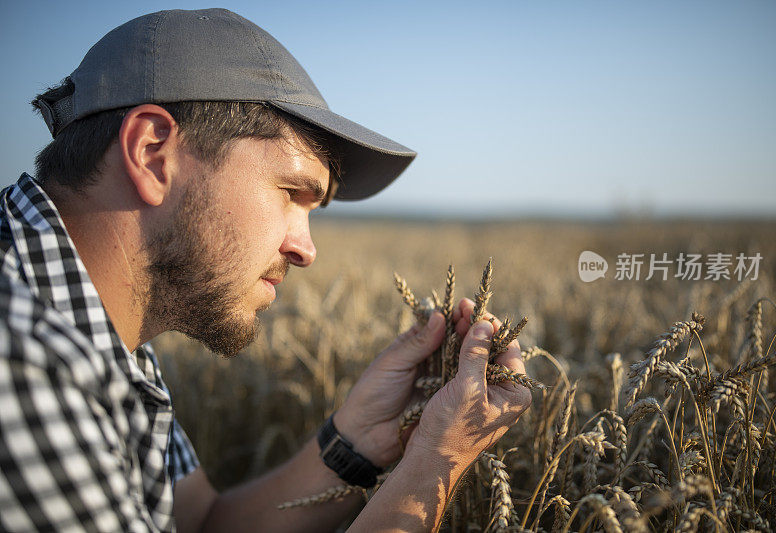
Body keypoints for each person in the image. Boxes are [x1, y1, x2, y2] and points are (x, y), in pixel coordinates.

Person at [0, 8, 531, 532]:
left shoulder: (98, 327)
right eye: (290, 193)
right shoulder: (26, 362)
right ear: (153, 152)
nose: (305, 249)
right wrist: (436, 459)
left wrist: (362, 437)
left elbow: (202, 523)